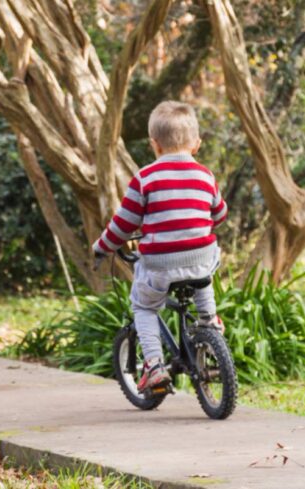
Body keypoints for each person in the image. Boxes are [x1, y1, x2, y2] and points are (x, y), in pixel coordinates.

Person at [92, 100, 227, 393]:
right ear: (196, 145)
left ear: (154, 144)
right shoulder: (206, 177)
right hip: (200, 258)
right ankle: (209, 320)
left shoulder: (145, 179)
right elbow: (220, 214)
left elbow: (123, 224)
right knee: (205, 267)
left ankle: (153, 366)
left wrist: (102, 247)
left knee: (144, 305)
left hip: (160, 264)